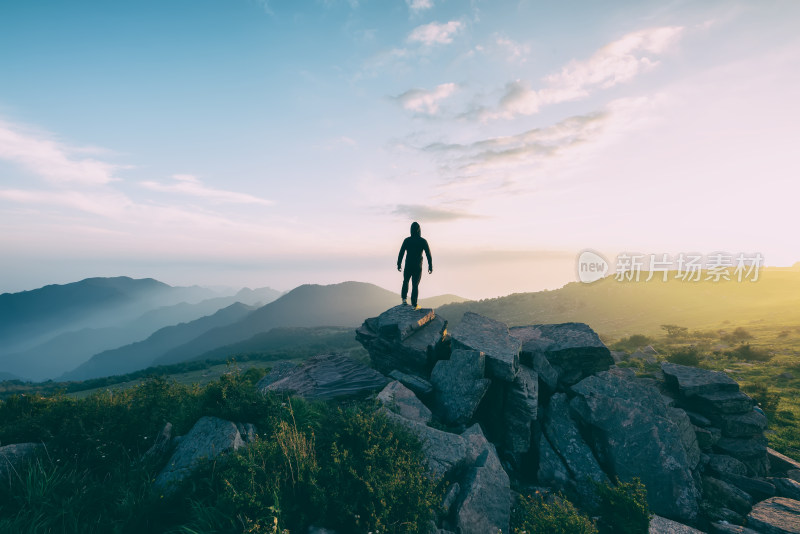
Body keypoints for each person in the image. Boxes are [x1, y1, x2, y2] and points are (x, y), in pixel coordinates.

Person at [397, 221, 433, 308]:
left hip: (408, 265)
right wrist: (430, 266)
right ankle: (414, 304)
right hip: (417, 266)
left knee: (405, 281)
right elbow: (428, 254)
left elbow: (401, 253)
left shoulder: (407, 240)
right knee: (415, 285)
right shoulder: (423, 241)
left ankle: (404, 300)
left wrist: (399, 264)